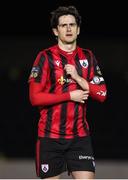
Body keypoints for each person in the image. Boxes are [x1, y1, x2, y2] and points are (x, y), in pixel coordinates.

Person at [28, 5, 107, 179]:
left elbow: (102, 94)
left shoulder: (88, 56)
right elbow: (34, 98)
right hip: (50, 137)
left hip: (80, 138)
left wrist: (79, 79)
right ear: (56, 31)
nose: (69, 28)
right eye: (64, 25)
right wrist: (69, 96)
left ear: (78, 30)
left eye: (72, 25)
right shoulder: (45, 57)